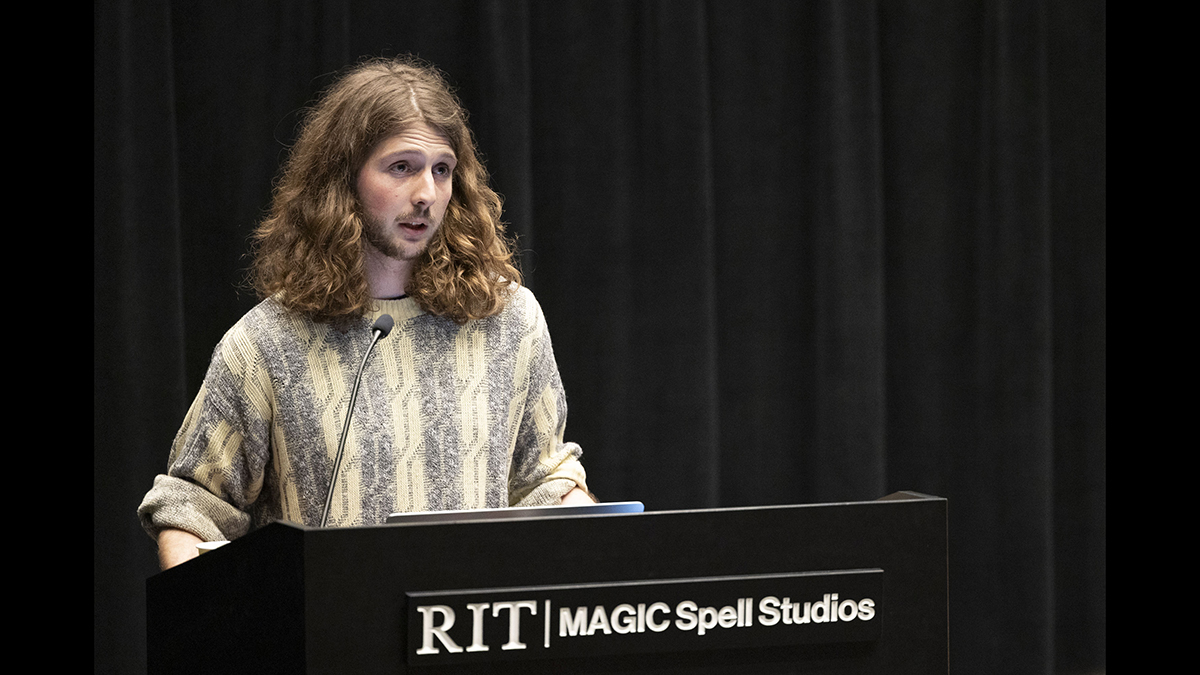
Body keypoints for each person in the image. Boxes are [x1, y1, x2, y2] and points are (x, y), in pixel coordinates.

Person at [138, 56, 594, 570]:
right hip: (327, 622)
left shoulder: (508, 319)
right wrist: (209, 608)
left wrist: (606, 542)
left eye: (442, 170)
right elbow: (192, 507)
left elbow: (544, 481)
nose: (426, 194)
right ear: (343, 180)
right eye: (402, 167)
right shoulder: (266, 344)